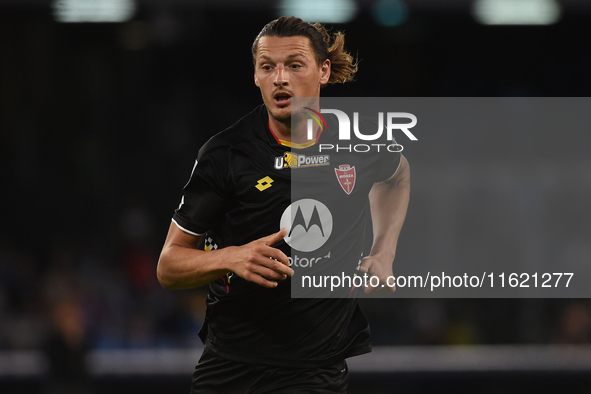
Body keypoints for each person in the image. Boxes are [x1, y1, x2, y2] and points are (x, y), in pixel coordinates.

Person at [157, 16, 410, 393]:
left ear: (323, 71)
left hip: (315, 372)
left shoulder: (360, 142)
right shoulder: (226, 154)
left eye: (294, 65)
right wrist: (231, 257)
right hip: (231, 367)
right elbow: (168, 266)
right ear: (256, 77)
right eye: (267, 67)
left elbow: (397, 174)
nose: (280, 78)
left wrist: (384, 250)